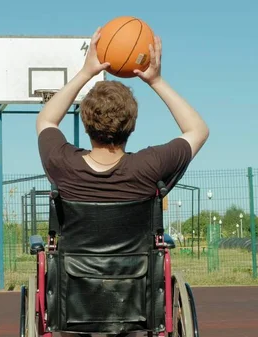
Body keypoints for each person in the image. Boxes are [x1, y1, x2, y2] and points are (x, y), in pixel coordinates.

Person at [35, 28, 209, 337]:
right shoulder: (149, 166)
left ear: (86, 123)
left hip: (73, 301)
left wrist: (86, 72)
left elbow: (46, 120)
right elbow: (197, 130)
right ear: (131, 124)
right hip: (137, 301)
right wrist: (155, 80)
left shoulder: (62, 164)